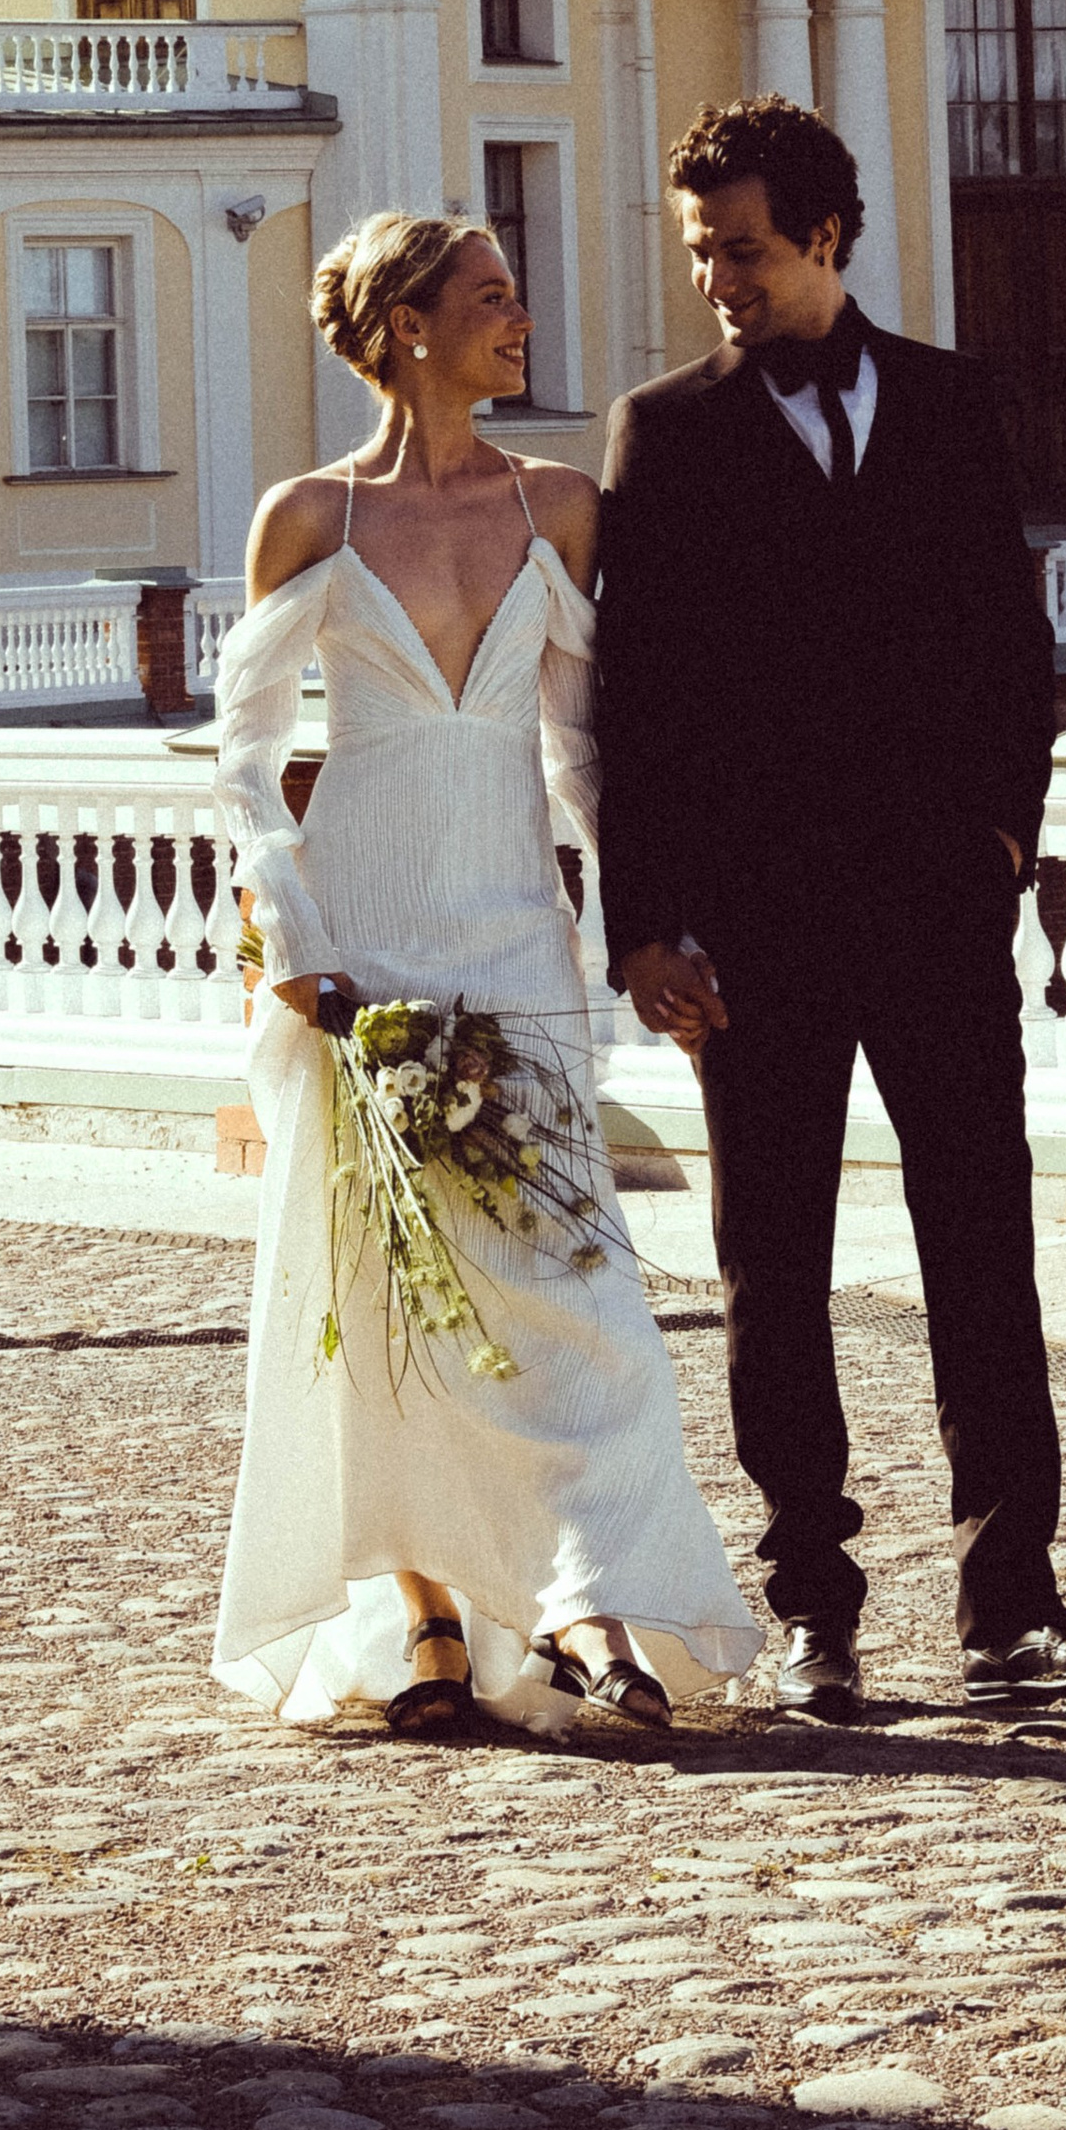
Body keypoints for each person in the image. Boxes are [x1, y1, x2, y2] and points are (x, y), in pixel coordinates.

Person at [593, 95, 1066, 1723]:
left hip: (936, 907)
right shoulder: (665, 432)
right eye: (704, 253)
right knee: (772, 1266)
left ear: (829, 235)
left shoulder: (954, 405)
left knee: (983, 1248)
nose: (720, 280)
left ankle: (1014, 1604)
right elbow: (642, 706)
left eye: (747, 250)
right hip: (748, 935)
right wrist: (646, 920)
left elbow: (1010, 652)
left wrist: (999, 841)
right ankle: (811, 1614)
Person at [210, 208, 761, 1741]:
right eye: (493, 300)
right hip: (362, 931)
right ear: (406, 328)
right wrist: (299, 951)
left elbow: (590, 747)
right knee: (391, 1280)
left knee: (570, 1283)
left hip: (515, 925)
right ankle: (421, 1616)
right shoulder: (306, 519)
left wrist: (641, 925)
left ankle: (587, 1598)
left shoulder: (562, 508)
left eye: (519, 296)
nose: (522, 323)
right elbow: (247, 764)